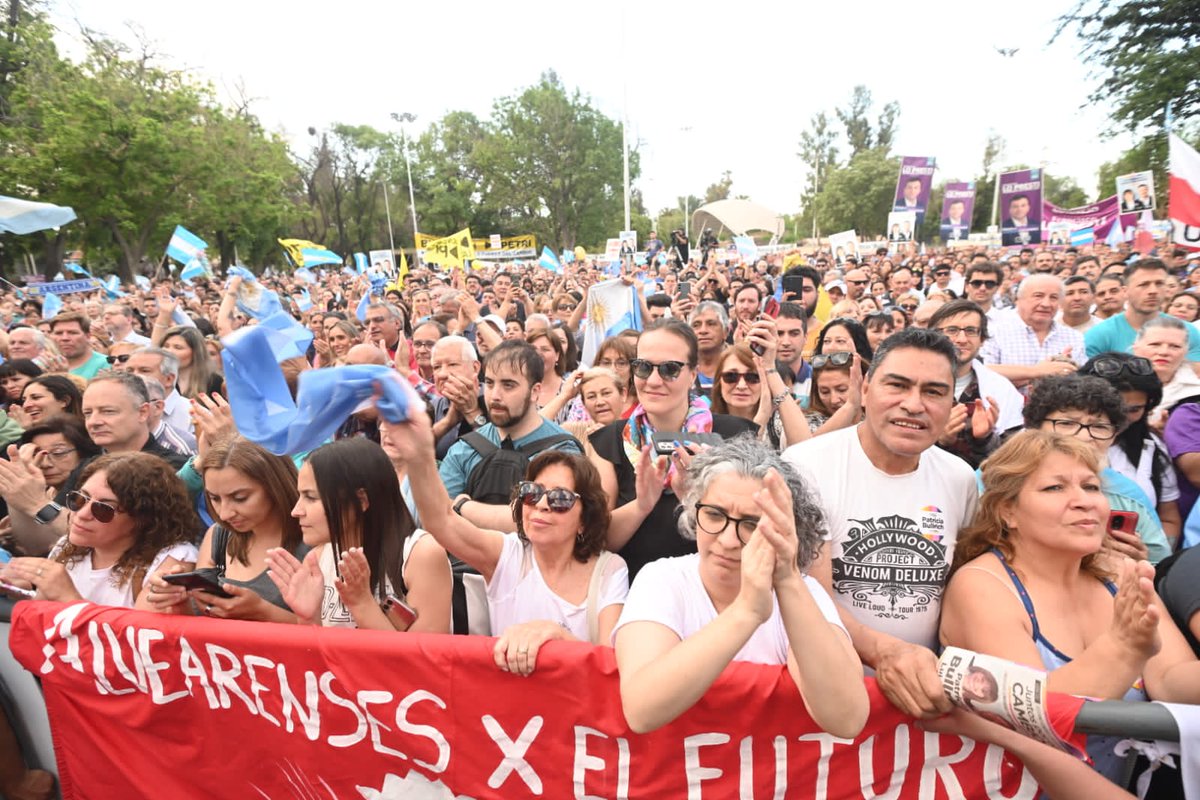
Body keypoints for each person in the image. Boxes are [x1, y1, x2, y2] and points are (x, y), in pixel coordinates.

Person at [940, 430, 1200, 783]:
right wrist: (1123, 648)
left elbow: (1171, 682)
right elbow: (1037, 719)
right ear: (1007, 511)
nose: (1084, 501)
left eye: (1091, 487)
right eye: (1055, 488)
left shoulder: (1118, 572)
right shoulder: (982, 585)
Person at [613, 437, 868, 737]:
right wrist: (746, 613)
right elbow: (641, 710)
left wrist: (786, 580)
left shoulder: (804, 593)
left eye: (751, 524)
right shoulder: (662, 579)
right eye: (714, 515)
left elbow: (846, 718)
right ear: (694, 511)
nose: (728, 540)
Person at [783, 327, 977, 719]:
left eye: (934, 392)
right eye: (898, 385)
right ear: (866, 388)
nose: (914, 404)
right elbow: (804, 594)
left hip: (920, 700)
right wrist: (886, 652)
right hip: (822, 697)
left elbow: (962, 585)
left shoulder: (960, 478)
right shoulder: (804, 467)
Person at [383, 405, 626, 673]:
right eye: (532, 493)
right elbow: (442, 521)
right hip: (505, 710)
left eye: (560, 499)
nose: (542, 505)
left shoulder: (610, 570)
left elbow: (609, 664)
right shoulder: (507, 554)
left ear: (584, 518)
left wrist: (555, 635)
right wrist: (419, 456)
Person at [590, 319, 757, 579]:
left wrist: (696, 500)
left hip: (716, 593)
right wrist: (641, 506)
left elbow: (754, 537)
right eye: (644, 367)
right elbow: (596, 540)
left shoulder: (737, 436)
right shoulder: (609, 441)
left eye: (670, 369)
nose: (654, 380)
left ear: (693, 374)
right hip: (636, 596)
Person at [265, 437, 451, 632]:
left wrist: (362, 605)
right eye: (300, 496)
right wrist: (308, 617)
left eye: (311, 498)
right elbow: (314, 657)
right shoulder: (317, 558)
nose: (296, 511)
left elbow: (423, 659)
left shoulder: (421, 554)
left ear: (361, 501)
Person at [0, 452, 198, 608]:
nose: (82, 514)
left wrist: (67, 596)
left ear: (142, 519)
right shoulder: (67, 547)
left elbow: (141, 645)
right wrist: (25, 588)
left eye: (103, 509)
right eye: (79, 499)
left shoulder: (172, 560)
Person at [146, 436, 310, 621]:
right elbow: (202, 626)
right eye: (214, 498)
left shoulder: (315, 540)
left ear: (275, 486)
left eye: (240, 498)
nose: (224, 514)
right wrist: (177, 602)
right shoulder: (219, 535)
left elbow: (333, 633)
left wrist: (263, 612)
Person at [1023, 374, 1172, 563]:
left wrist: (1143, 562)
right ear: (1034, 427)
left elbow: (1161, 568)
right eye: (1067, 423)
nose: (1084, 436)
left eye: (1099, 426)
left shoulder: (1128, 495)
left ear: (1114, 435)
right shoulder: (997, 480)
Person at [438, 340, 583, 530]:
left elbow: (549, 522)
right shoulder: (464, 449)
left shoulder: (562, 451)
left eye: (508, 385)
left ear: (534, 391)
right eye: (489, 383)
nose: (495, 395)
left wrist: (464, 507)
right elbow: (441, 518)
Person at [1080, 353, 1181, 546]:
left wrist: (1156, 558)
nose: (1120, 418)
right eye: (1111, 409)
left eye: (1133, 410)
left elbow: (1169, 519)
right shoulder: (1048, 446)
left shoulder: (1152, 449)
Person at [928, 300, 1025, 468]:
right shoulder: (913, 383)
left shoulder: (1001, 389)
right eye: (952, 330)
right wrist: (938, 440)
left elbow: (1015, 457)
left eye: (971, 331)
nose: (962, 339)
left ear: (982, 339)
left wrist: (984, 439)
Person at [981, 274, 1085, 392]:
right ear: (1018, 300)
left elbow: (1081, 381)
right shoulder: (994, 332)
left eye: (1054, 298)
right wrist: (1038, 372)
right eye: (1038, 296)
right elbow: (982, 374)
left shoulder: (1074, 337)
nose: (1046, 304)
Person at [1086, 260, 1200, 359]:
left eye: (1159, 283)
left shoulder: (1189, 332)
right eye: (1144, 284)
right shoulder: (1099, 334)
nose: (1153, 291)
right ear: (1125, 291)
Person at [709, 342, 808, 451]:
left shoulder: (778, 425)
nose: (741, 386)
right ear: (719, 382)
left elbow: (804, 448)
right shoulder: (703, 423)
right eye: (731, 376)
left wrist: (770, 369)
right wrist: (759, 422)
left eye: (753, 377)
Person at [156, 325, 223, 398]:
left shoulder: (213, 382)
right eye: (166, 346)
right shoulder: (156, 379)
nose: (169, 351)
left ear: (195, 352)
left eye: (178, 347)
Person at [11, 375, 83, 428]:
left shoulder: (87, 433)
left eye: (36, 397)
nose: (26, 405)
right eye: (24, 400)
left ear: (64, 401)